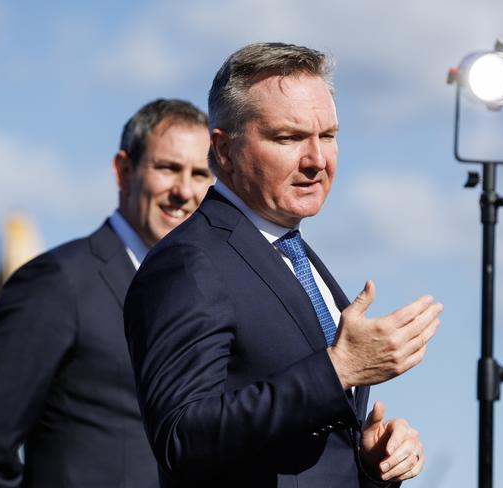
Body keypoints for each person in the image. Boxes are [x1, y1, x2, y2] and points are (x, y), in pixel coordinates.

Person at [124, 43, 443, 488]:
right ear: (225, 149)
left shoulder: (293, 254)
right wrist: (338, 370)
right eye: (288, 138)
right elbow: (181, 439)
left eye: (328, 136)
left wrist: (369, 465)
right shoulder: (188, 262)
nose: (317, 160)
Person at [0, 98, 213, 488]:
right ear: (123, 170)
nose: (184, 190)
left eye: (199, 174)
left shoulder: (205, 292)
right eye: (168, 168)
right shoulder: (58, 282)